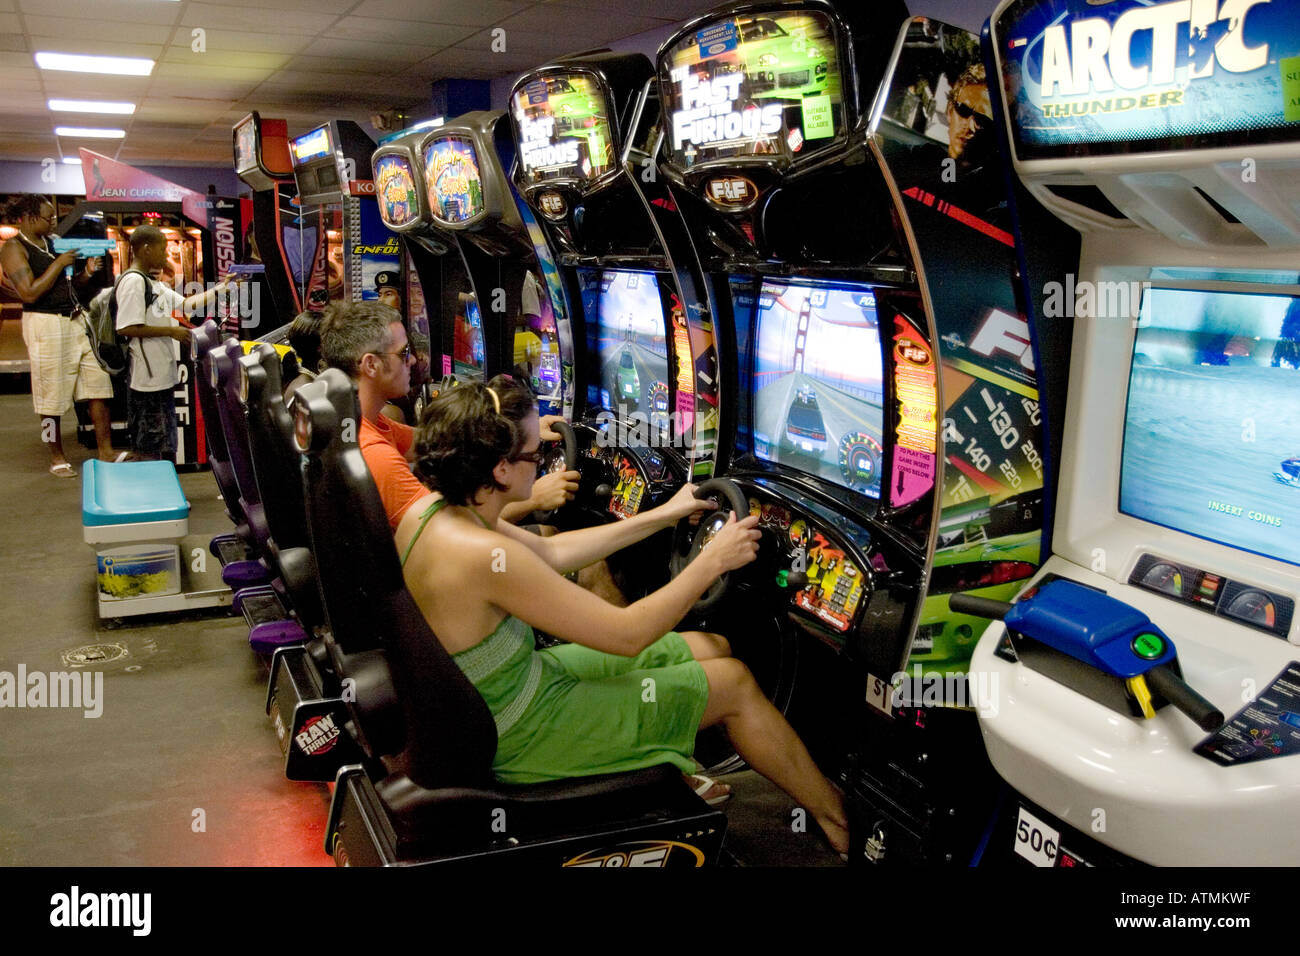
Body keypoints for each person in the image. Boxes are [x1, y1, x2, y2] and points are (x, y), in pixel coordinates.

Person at [397, 376, 849, 854]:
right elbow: (628, 634)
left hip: (506, 693)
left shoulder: (434, 511)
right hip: (522, 731)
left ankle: (676, 764)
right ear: (502, 469)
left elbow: (555, 554)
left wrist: (663, 514)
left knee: (710, 646)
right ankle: (835, 817)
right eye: (534, 454)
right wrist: (712, 561)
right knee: (733, 683)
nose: (543, 462)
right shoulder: (480, 554)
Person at [320, 301, 578, 530]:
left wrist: (519, 429)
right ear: (371, 365)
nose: (412, 361)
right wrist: (533, 497)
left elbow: (439, 439)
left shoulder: (362, 421)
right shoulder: (374, 454)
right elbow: (447, 532)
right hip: (413, 575)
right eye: (403, 353)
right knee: (562, 544)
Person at [0, 194, 113, 475]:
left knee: (97, 384)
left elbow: (67, 286)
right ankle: (56, 457)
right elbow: (29, 292)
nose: (52, 221)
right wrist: (59, 263)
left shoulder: (51, 244)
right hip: (45, 323)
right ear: (28, 218)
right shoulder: (14, 249)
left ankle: (106, 450)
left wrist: (85, 273)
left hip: (74, 319)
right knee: (49, 394)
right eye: (47, 217)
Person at [115, 224, 232, 462]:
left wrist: (222, 288)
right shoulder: (133, 283)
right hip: (146, 381)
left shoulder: (153, 284)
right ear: (146, 249)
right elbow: (125, 327)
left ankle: (160, 493)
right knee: (150, 442)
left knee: (163, 441)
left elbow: (187, 305)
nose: (166, 255)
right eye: (162, 249)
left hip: (160, 376)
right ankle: (153, 497)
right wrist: (171, 331)